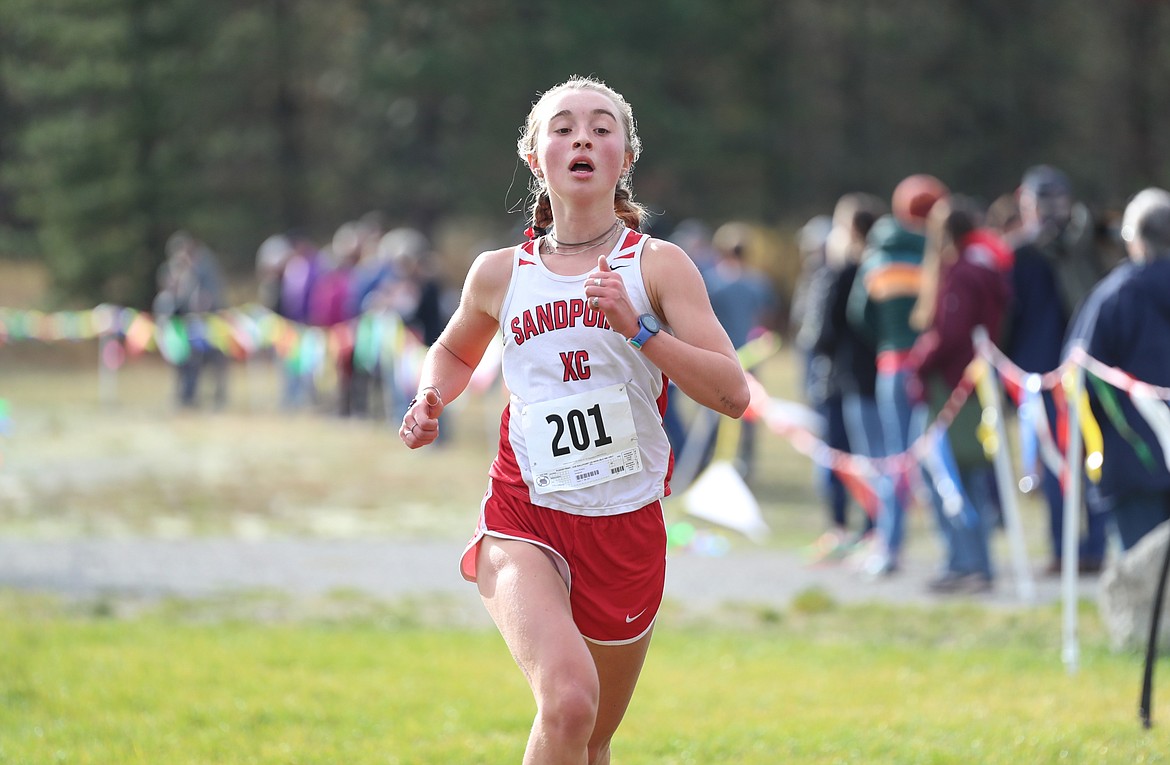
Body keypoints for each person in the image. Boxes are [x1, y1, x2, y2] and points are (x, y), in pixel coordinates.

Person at [399, 75, 749, 764]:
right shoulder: (499, 273)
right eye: (562, 127)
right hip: (524, 512)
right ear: (536, 156)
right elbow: (451, 349)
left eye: (601, 126)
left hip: (626, 524)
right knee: (566, 702)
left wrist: (642, 330)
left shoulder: (659, 266)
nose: (582, 136)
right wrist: (429, 397)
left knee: (590, 740)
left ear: (624, 157)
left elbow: (733, 393)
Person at [1004, 165, 1111, 574]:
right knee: (1059, 461)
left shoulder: (1087, 243)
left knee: (1085, 458)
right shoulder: (1021, 253)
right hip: (1047, 372)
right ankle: (1070, 549)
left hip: (1081, 369)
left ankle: (1088, 549)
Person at [906, 196, 1013, 594]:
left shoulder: (963, 272)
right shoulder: (988, 265)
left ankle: (964, 563)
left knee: (947, 478)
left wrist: (920, 361)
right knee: (970, 480)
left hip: (951, 388)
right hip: (975, 384)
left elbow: (952, 332)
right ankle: (976, 564)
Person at [846, 173, 949, 577]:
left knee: (893, 460)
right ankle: (951, 551)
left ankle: (889, 546)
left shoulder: (879, 251)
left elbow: (861, 314)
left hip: (890, 365)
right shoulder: (937, 252)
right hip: (930, 366)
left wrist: (887, 341)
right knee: (934, 459)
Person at [1065, 187, 1170, 552]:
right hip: (1135, 455)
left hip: (1132, 457)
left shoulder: (1113, 297)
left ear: (1134, 238)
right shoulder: (1115, 295)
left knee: (1143, 584)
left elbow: (1079, 376)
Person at [805, 193, 885, 562]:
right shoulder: (883, 270)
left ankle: (840, 528)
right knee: (876, 459)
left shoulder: (839, 274)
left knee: (838, 459)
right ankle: (874, 529)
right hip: (878, 377)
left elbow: (819, 335)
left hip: (840, 379)